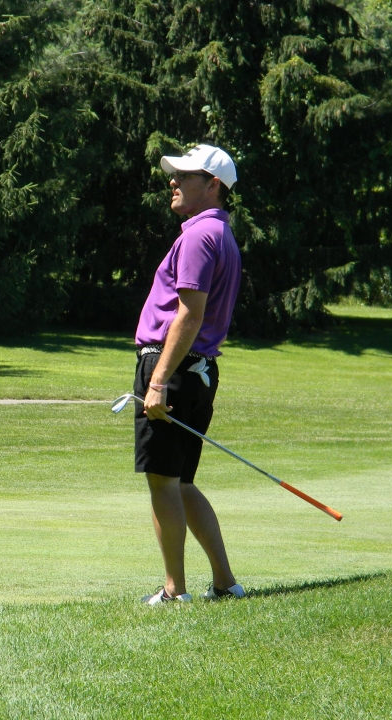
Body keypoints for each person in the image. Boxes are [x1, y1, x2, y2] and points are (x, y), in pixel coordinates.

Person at [132, 143, 245, 605]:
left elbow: (189, 314)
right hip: (198, 372)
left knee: (163, 481)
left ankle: (174, 591)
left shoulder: (199, 236)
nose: (173, 181)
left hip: (173, 367)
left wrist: (158, 380)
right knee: (180, 481)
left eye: (185, 175)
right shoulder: (221, 233)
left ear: (213, 184)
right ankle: (225, 583)